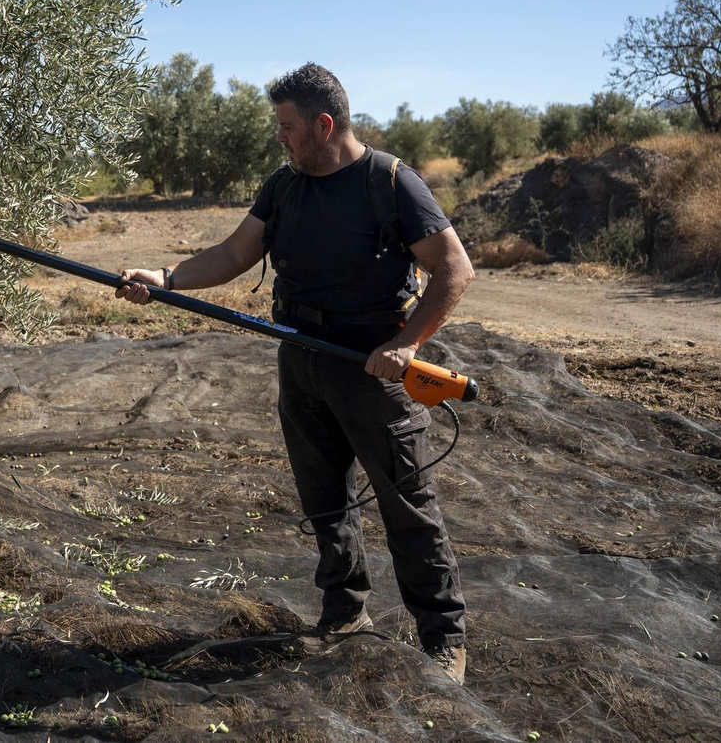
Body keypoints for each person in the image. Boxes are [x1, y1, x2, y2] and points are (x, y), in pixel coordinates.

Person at [114, 62, 473, 685]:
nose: (280, 137)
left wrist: (407, 345)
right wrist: (166, 280)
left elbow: (454, 270)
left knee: (406, 504)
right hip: (299, 354)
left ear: (324, 123)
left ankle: (444, 637)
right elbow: (233, 254)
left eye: (287, 126)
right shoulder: (284, 185)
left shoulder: (390, 182)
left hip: (370, 364)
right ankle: (343, 611)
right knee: (324, 499)